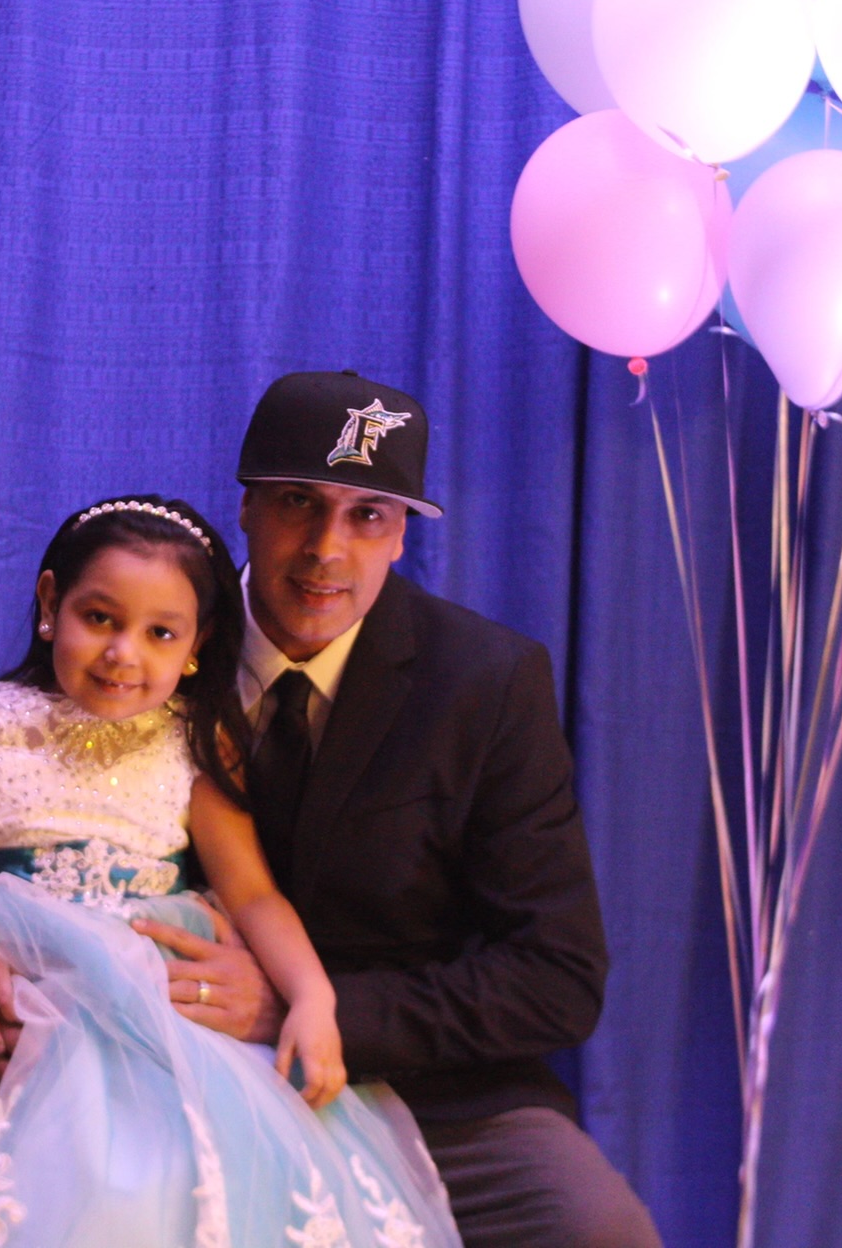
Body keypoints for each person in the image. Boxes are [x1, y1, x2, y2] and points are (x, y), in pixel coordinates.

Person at [125, 371, 661, 1248]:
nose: (326, 548)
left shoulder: (486, 682)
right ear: (247, 506)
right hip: (175, 1064)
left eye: (367, 515)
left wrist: (314, 1007)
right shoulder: (143, 640)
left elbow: (556, 978)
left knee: (598, 1230)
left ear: (402, 533)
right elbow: (13, 831)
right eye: (298, 502)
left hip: (422, 1088)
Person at [0, 493, 461, 1247]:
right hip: (36, 1023)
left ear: (196, 643)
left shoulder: (196, 744)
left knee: (193, 1193)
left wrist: (313, 998)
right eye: (100, 618)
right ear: (50, 603)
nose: (124, 653)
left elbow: (254, 897)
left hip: (172, 1033)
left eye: (160, 633)